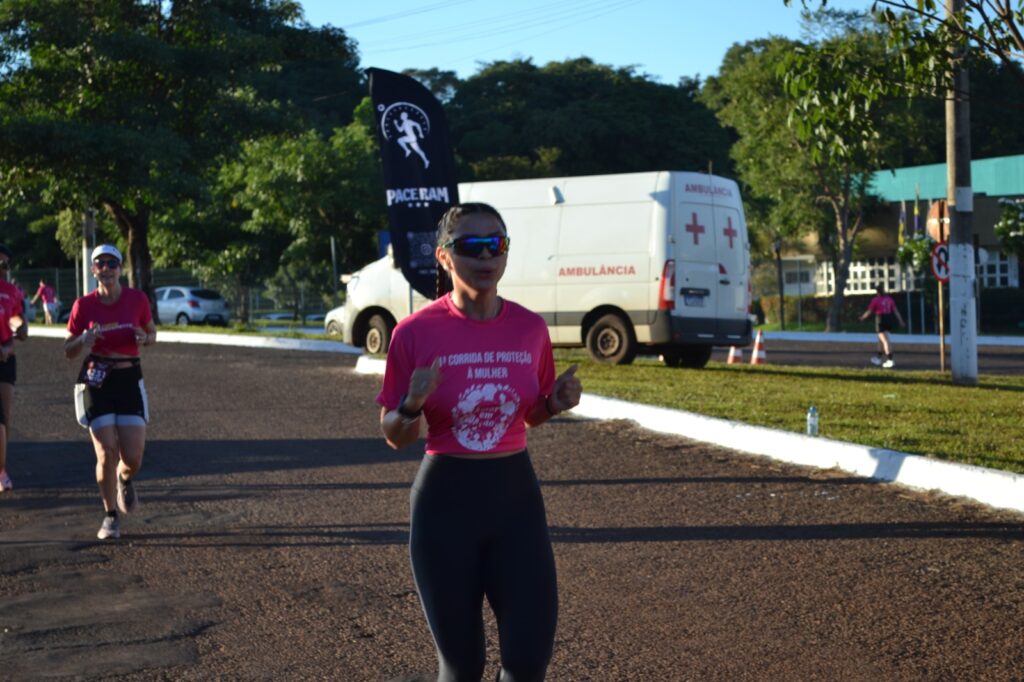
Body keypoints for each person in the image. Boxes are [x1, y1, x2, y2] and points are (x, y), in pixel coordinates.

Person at [377, 203, 582, 682]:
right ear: (444, 257)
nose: (487, 256)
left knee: (527, 663)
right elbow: (395, 435)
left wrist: (553, 404)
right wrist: (412, 404)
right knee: (462, 666)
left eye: (497, 244)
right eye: (472, 245)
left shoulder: (530, 329)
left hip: (515, 504)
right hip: (445, 507)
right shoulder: (414, 333)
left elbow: (528, 416)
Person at [64, 245, 156, 540]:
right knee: (106, 452)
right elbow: (68, 350)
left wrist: (144, 337)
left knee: (133, 456)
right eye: (100, 264)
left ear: (120, 269)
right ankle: (110, 516)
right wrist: (83, 339)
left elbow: (152, 333)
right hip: (96, 379)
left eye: (112, 263)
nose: (106, 268)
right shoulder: (83, 305)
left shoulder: (137, 299)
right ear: (93, 270)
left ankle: (124, 478)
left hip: (128, 378)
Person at [0, 244, 27, 493]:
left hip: (5, 356)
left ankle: (1, 468)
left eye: (5, 264)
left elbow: (16, 316)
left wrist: (20, 325)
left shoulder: (11, 291)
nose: (1, 268)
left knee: (4, 415)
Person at [860, 284, 905, 368]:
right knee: (881, 339)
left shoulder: (876, 300)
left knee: (885, 340)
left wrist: (863, 317)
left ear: (877, 292)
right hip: (889, 319)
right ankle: (878, 357)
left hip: (881, 319)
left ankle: (890, 360)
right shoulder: (889, 299)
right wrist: (900, 320)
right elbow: (895, 311)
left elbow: (869, 311)